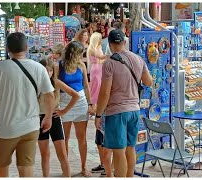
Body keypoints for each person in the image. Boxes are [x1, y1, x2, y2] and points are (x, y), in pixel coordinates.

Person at [0, 32, 55, 177]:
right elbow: (50, 95)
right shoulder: (39, 68)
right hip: (30, 128)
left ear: (7, 48)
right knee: (26, 168)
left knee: (2, 167)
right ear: (27, 47)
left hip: (5, 129)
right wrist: (48, 117)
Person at [94, 30, 152, 177]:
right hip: (134, 110)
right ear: (124, 43)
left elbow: (105, 93)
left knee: (118, 151)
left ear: (111, 44)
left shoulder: (110, 63)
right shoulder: (138, 59)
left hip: (117, 112)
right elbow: (148, 81)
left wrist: (98, 114)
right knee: (130, 148)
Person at [54, 41, 93, 177]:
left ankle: (83, 166)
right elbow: (56, 86)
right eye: (80, 53)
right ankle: (66, 168)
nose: (81, 56)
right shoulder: (59, 65)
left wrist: (90, 103)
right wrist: (56, 104)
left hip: (81, 102)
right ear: (74, 53)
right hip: (65, 102)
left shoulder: (81, 65)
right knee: (64, 137)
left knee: (81, 138)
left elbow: (86, 86)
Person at [37, 59, 79, 177]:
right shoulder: (36, 84)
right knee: (44, 154)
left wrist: (64, 111)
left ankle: (67, 176)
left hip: (54, 118)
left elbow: (75, 95)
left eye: (50, 71)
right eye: (45, 70)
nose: (48, 73)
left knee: (62, 153)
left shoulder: (56, 83)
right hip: (40, 118)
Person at [87, 32, 107, 175]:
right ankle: (94, 103)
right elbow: (100, 58)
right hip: (96, 70)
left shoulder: (98, 46)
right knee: (96, 87)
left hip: (100, 69)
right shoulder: (92, 48)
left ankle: (105, 165)